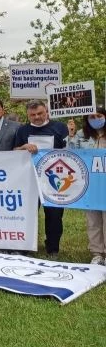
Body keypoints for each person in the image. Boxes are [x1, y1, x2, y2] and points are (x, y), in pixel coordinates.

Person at [14, 100, 68, 259]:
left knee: (54, 215)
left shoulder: (60, 127)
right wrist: (23, 147)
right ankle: (25, 246)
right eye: (33, 115)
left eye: (40, 113)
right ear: (28, 115)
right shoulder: (22, 130)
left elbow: (69, 151)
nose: (37, 117)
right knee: (28, 213)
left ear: (46, 112)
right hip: (29, 179)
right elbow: (14, 150)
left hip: (55, 180)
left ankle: (53, 248)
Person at [70, 108, 106, 265]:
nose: (96, 119)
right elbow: (71, 154)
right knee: (93, 221)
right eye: (92, 116)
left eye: (99, 116)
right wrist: (71, 135)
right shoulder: (81, 134)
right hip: (90, 184)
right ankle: (97, 253)